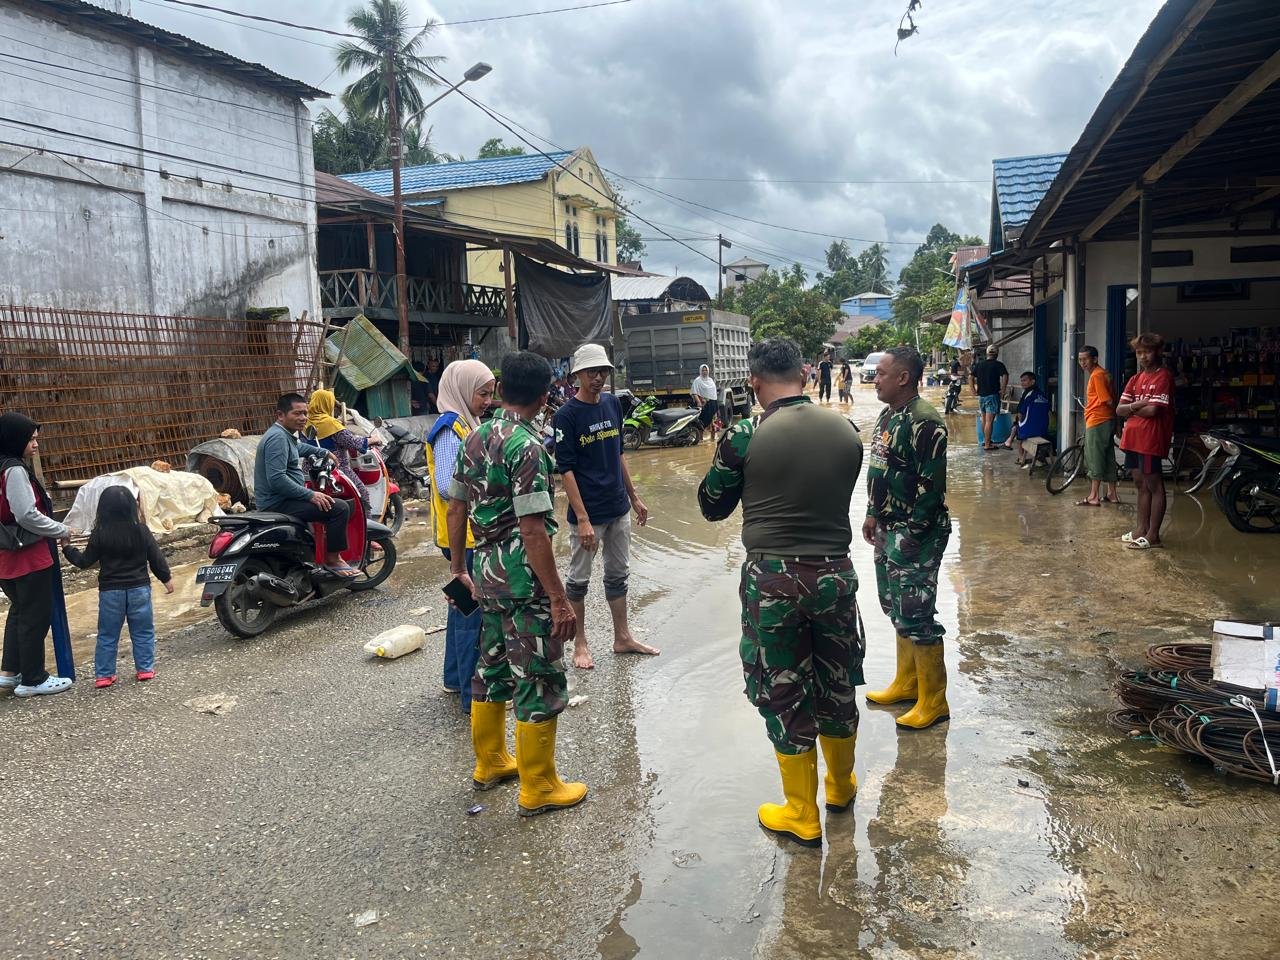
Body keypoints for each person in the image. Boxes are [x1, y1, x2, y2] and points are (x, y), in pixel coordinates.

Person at [698, 337, 864, 848]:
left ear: (754, 382)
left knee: (785, 688)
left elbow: (711, 506)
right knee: (836, 682)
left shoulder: (745, 434)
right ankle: (840, 786)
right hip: (837, 574)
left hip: (774, 582)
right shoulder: (847, 429)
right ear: (806, 376)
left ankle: (801, 812)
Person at [448, 351, 586, 817]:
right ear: (546, 397)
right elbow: (532, 530)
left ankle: (490, 763)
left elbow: (455, 507)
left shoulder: (475, 437)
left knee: (490, 670)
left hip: (485, 573)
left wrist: (458, 568)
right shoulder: (526, 446)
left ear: (502, 389)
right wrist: (558, 598)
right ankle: (539, 786)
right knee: (539, 676)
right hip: (523, 580)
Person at [863, 346, 952, 729]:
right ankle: (907, 683)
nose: (875, 378)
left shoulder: (925, 422)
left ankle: (934, 700)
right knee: (894, 605)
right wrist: (871, 513)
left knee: (917, 612)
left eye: (881, 373)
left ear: (903, 378)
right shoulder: (888, 415)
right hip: (886, 526)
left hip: (916, 531)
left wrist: (914, 534)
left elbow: (932, 488)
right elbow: (879, 466)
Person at [553, 342, 657, 670]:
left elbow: (618, 454)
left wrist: (635, 497)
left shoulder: (613, 404)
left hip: (617, 508)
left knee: (617, 575)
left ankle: (622, 637)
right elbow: (565, 469)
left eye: (603, 372)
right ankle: (580, 644)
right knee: (579, 580)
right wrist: (582, 519)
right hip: (589, 515)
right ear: (578, 375)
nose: (598, 377)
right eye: (591, 372)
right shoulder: (566, 416)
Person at [426, 359, 496, 709]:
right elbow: (445, 486)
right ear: (462, 389)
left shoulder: (466, 424)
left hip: (462, 533)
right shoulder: (449, 428)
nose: (486, 400)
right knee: (474, 612)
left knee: (460, 609)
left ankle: (454, 680)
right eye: (482, 393)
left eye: (490, 394)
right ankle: (474, 697)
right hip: (463, 536)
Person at [62, 487, 173, 689]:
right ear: (132, 507)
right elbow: (156, 557)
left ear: (103, 510)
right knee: (143, 632)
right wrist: (166, 579)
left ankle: (104, 675)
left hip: (110, 592)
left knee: (107, 634)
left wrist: (68, 548)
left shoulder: (100, 534)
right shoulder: (141, 531)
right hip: (139, 589)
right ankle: (145, 669)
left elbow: (85, 561)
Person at [0, 413, 73, 698]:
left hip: (6, 554)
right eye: (31, 440)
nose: (35, 445)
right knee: (36, 615)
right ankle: (33, 678)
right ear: (15, 439)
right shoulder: (14, 470)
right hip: (27, 554)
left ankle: (9, 672)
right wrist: (60, 528)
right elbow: (26, 514)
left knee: (19, 612)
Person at [254, 394, 354, 576]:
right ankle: (333, 560)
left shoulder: (285, 435)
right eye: (297, 413)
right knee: (339, 508)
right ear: (280, 415)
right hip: (278, 502)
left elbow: (299, 448)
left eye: (305, 413)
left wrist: (322, 451)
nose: (303, 418)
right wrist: (310, 495)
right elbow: (276, 480)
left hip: (282, 498)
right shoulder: (277, 438)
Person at [1118, 333, 1175, 550]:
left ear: (1158, 351)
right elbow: (1119, 409)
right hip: (1132, 438)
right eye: (1139, 352)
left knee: (1154, 485)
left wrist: (1134, 406)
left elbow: (1153, 411)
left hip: (1151, 439)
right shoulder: (1135, 379)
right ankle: (1140, 529)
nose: (1143, 356)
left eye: (1147, 351)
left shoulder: (1163, 377)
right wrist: (1137, 405)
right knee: (1140, 484)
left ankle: (1153, 536)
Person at [306, 388, 380, 516]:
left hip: (309, 472)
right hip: (336, 470)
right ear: (327, 404)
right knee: (362, 493)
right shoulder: (331, 424)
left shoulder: (305, 423)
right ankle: (366, 526)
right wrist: (373, 439)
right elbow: (352, 442)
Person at [1077, 345, 1119, 507]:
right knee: (1108, 456)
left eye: (1085, 359)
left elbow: (1107, 400)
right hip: (1106, 420)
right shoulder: (1104, 373)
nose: (1082, 363)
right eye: (1080, 360)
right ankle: (1112, 493)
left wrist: (1115, 414)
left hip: (1097, 420)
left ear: (1094, 359)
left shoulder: (1096, 376)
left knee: (1095, 457)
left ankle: (1093, 495)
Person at [1007, 371, 1050, 467]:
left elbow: (1021, 415)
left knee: (1017, 430)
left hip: (1030, 431)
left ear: (1032, 381)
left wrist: (1017, 423)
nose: (1022, 383)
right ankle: (1038, 457)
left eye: (1025, 380)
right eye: (1021, 381)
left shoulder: (1028, 395)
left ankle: (1021, 457)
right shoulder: (1042, 395)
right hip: (1044, 429)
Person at [971, 345, 1008, 450]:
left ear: (987, 354)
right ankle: (987, 444)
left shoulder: (979, 365)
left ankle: (985, 441)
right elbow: (1005, 375)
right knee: (989, 421)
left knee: (984, 420)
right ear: (997, 354)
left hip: (981, 396)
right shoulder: (998, 364)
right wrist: (1003, 389)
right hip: (992, 396)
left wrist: (973, 390)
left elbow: (970, 376)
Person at [691, 363, 719, 431]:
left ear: (708, 371)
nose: (704, 372)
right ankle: (700, 437)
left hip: (712, 404)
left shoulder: (710, 380)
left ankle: (713, 437)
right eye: (703, 370)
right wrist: (698, 402)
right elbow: (694, 392)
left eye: (706, 370)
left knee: (712, 421)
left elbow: (713, 393)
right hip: (703, 404)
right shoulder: (697, 381)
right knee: (702, 421)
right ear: (700, 371)